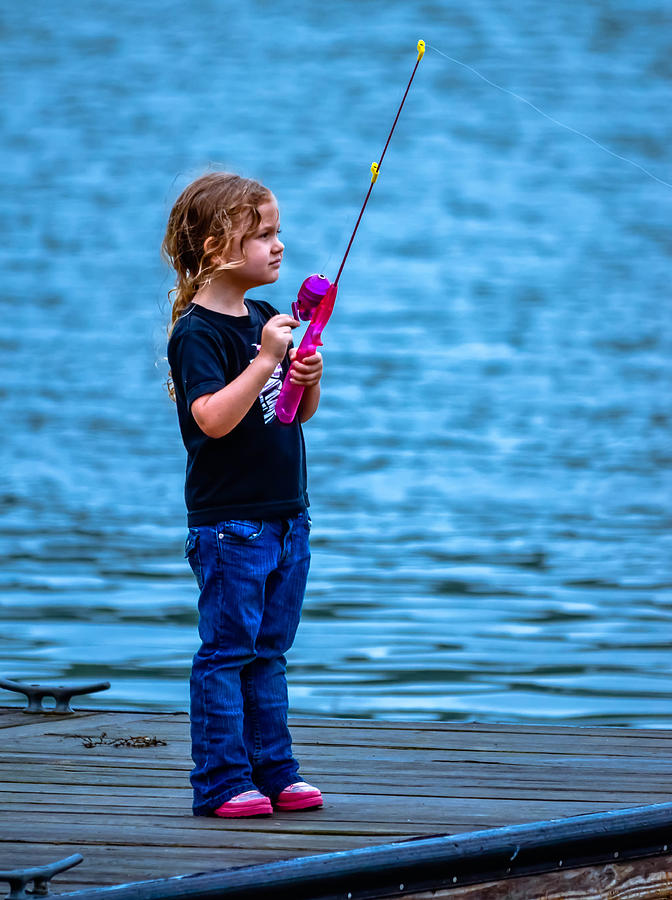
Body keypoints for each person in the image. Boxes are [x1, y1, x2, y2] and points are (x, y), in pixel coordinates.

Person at [163, 171, 324, 818]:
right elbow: (210, 417)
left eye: (277, 231)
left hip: (285, 517)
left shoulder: (265, 319)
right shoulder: (198, 334)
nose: (278, 246)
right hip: (231, 526)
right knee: (227, 653)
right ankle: (223, 781)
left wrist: (306, 376)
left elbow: (293, 415)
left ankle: (274, 771)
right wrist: (263, 361)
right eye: (261, 235)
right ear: (211, 249)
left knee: (269, 652)